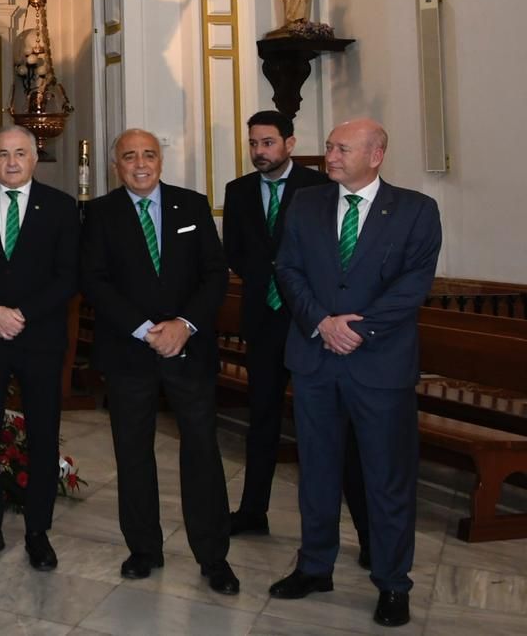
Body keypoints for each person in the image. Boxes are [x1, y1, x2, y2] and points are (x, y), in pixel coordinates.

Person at [268, 119, 441, 629]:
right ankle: (315, 566)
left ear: (377, 154)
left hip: (380, 366)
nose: (331, 156)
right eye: (329, 147)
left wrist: (359, 330)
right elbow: (287, 268)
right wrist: (321, 322)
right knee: (316, 472)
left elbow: (414, 284)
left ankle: (393, 583)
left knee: (387, 480)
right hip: (316, 360)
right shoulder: (306, 204)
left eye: (342, 148)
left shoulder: (415, 210)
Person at [80, 129, 239, 596]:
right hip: (129, 352)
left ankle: (214, 557)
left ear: (161, 160)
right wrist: (144, 328)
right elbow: (94, 279)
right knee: (132, 453)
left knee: (202, 453)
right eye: (130, 156)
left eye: (148, 154)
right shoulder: (100, 213)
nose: (140, 163)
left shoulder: (191, 205)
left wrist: (183, 325)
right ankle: (144, 549)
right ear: (117, 166)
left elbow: (215, 274)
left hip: (188, 349)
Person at [224, 110, 370, 563]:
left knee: (336, 432)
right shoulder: (238, 191)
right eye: (253, 143)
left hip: (310, 323)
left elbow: (330, 255)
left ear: (289, 143)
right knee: (262, 417)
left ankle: (368, 535)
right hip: (264, 322)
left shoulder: (320, 188)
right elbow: (235, 250)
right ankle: (253, 510)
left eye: (268, 143)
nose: (259, 152)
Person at [0, 125, 78, 571]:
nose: (11, 162)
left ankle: (38, 532)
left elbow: (67, 275)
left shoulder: (62, 207)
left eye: (19, 153)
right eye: (2, 154)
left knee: (43, 436)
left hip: (38, 339)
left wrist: (19, 313)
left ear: (34, 157)